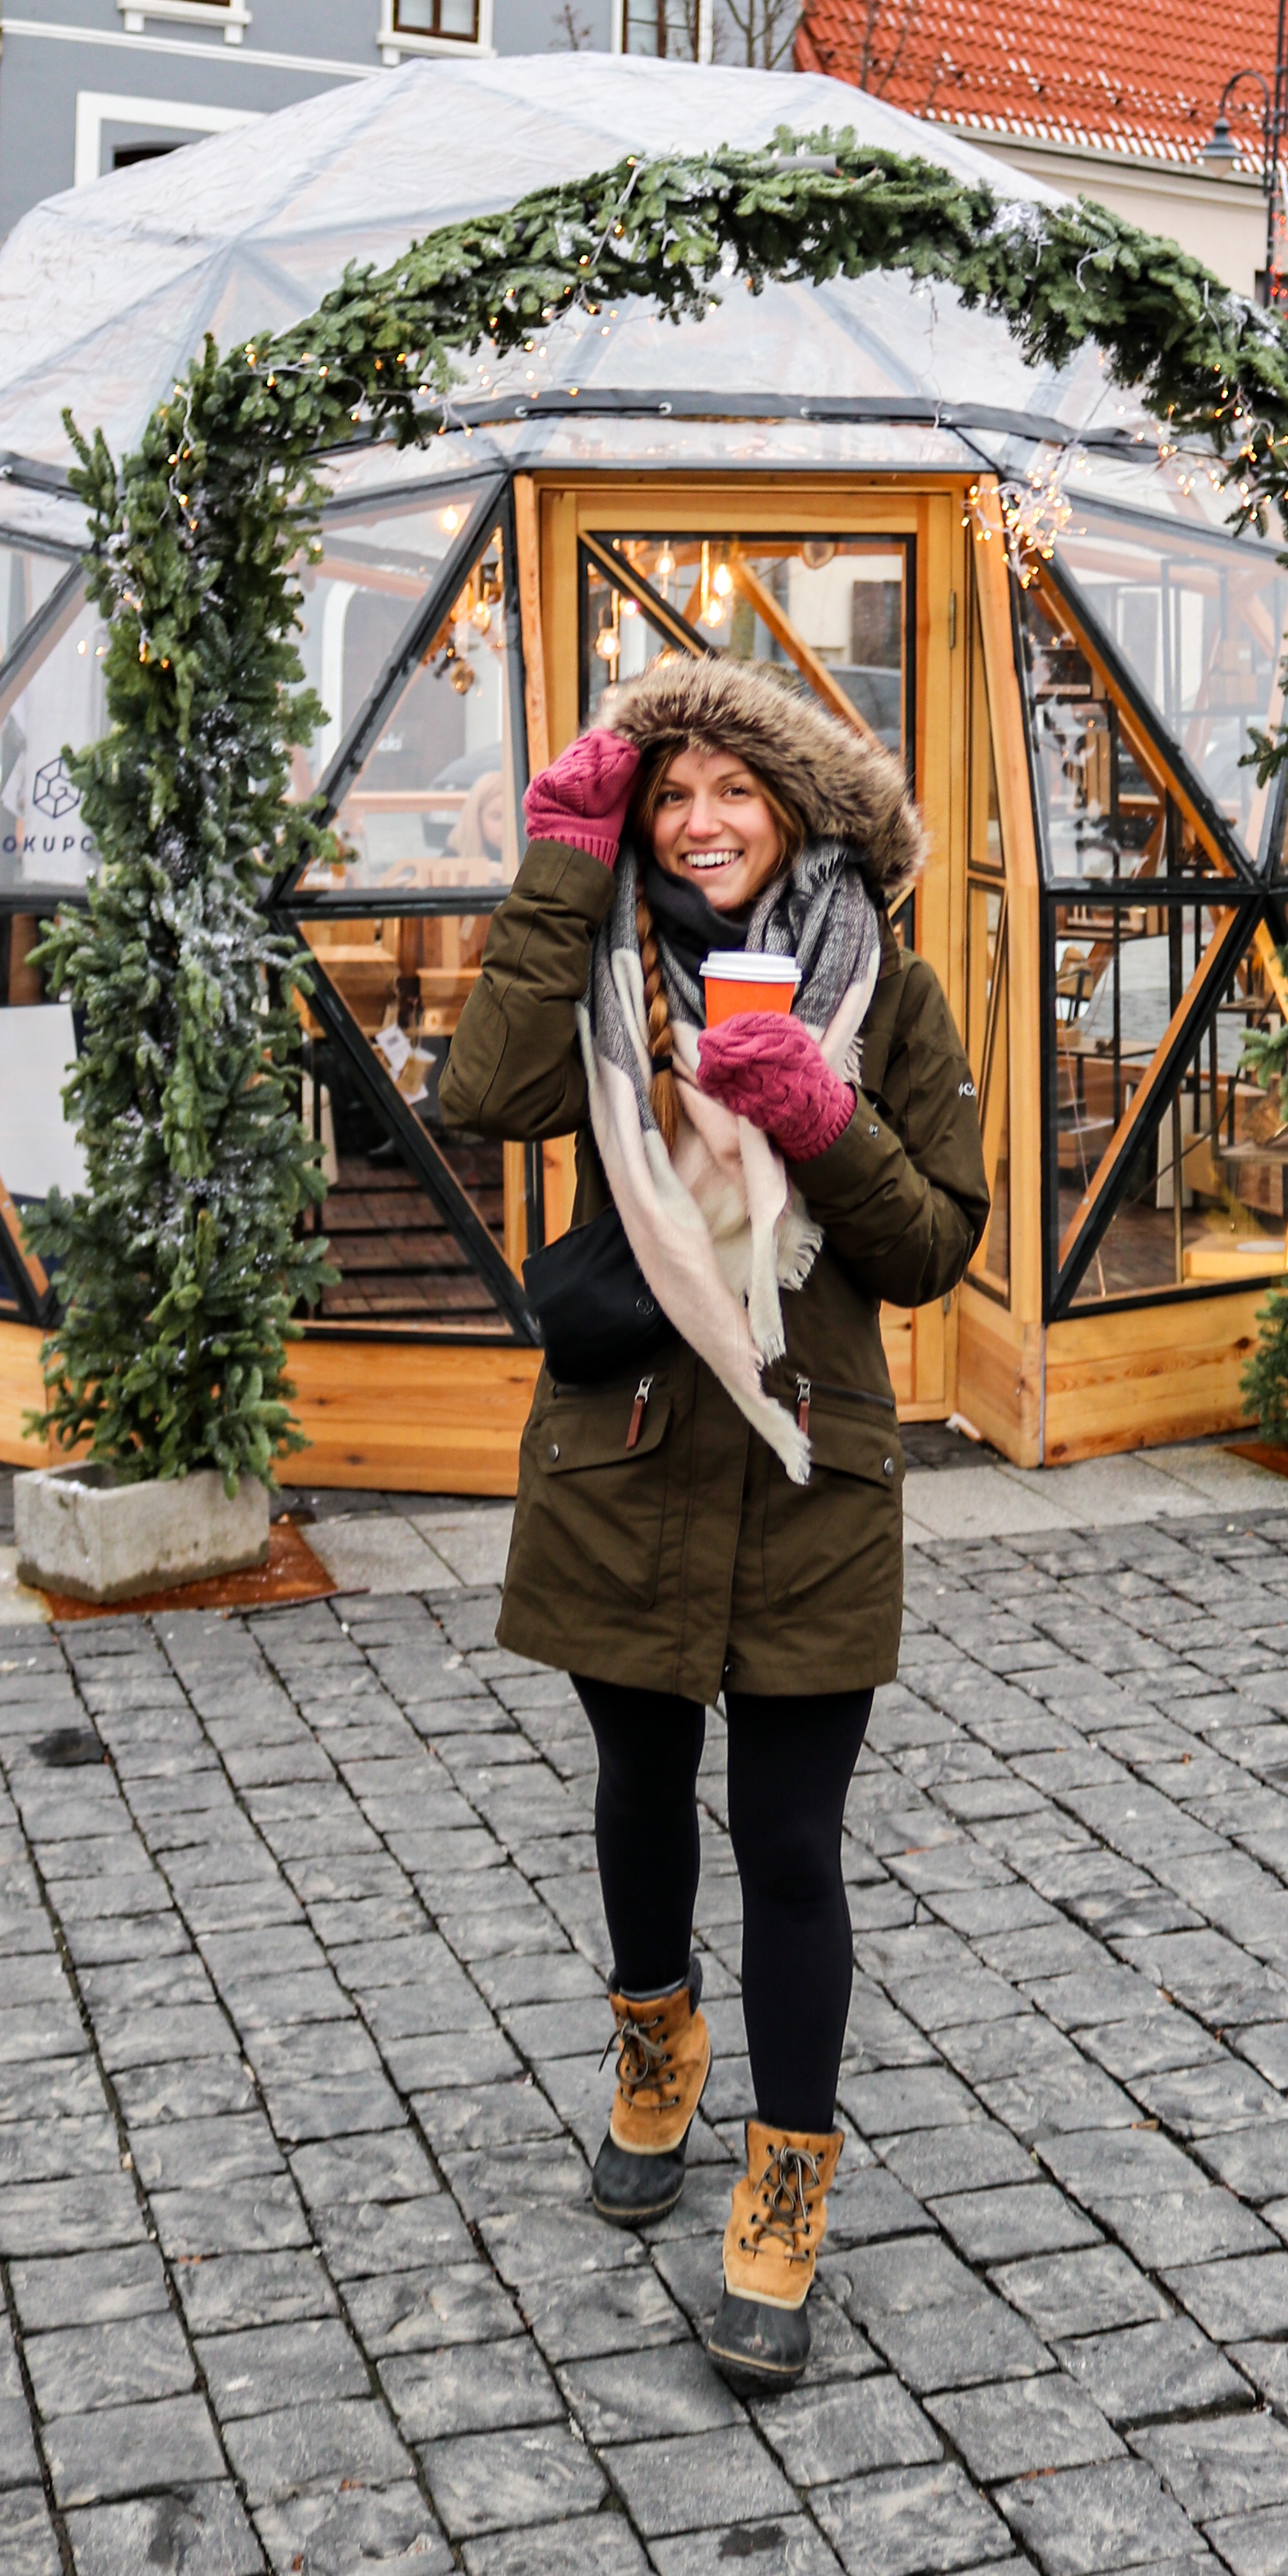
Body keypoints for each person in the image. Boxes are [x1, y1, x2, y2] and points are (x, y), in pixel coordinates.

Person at [437, 654, 987, 2385]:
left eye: (732, 788)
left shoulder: (887, 990)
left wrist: (816, 1119)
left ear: (798, 805)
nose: (699, 819)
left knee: (797, 1840)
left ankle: (786, 2191)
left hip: (816, 1460)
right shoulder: (599, 968)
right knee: (636, 1788)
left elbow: (927, 1250)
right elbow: (481, 1095)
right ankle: (653, 2052)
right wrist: (556, 863)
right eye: (668, 792)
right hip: (626, 1455)